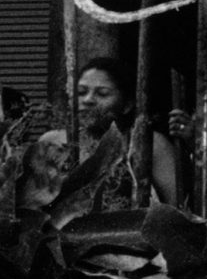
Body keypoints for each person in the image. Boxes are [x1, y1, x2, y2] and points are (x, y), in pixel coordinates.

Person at [24, 58, 180, 208]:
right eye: (81, 92)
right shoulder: (53, 141)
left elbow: (175, 208)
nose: (88, 100)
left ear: (127, 104)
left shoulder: (149, 143)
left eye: (102, 93)